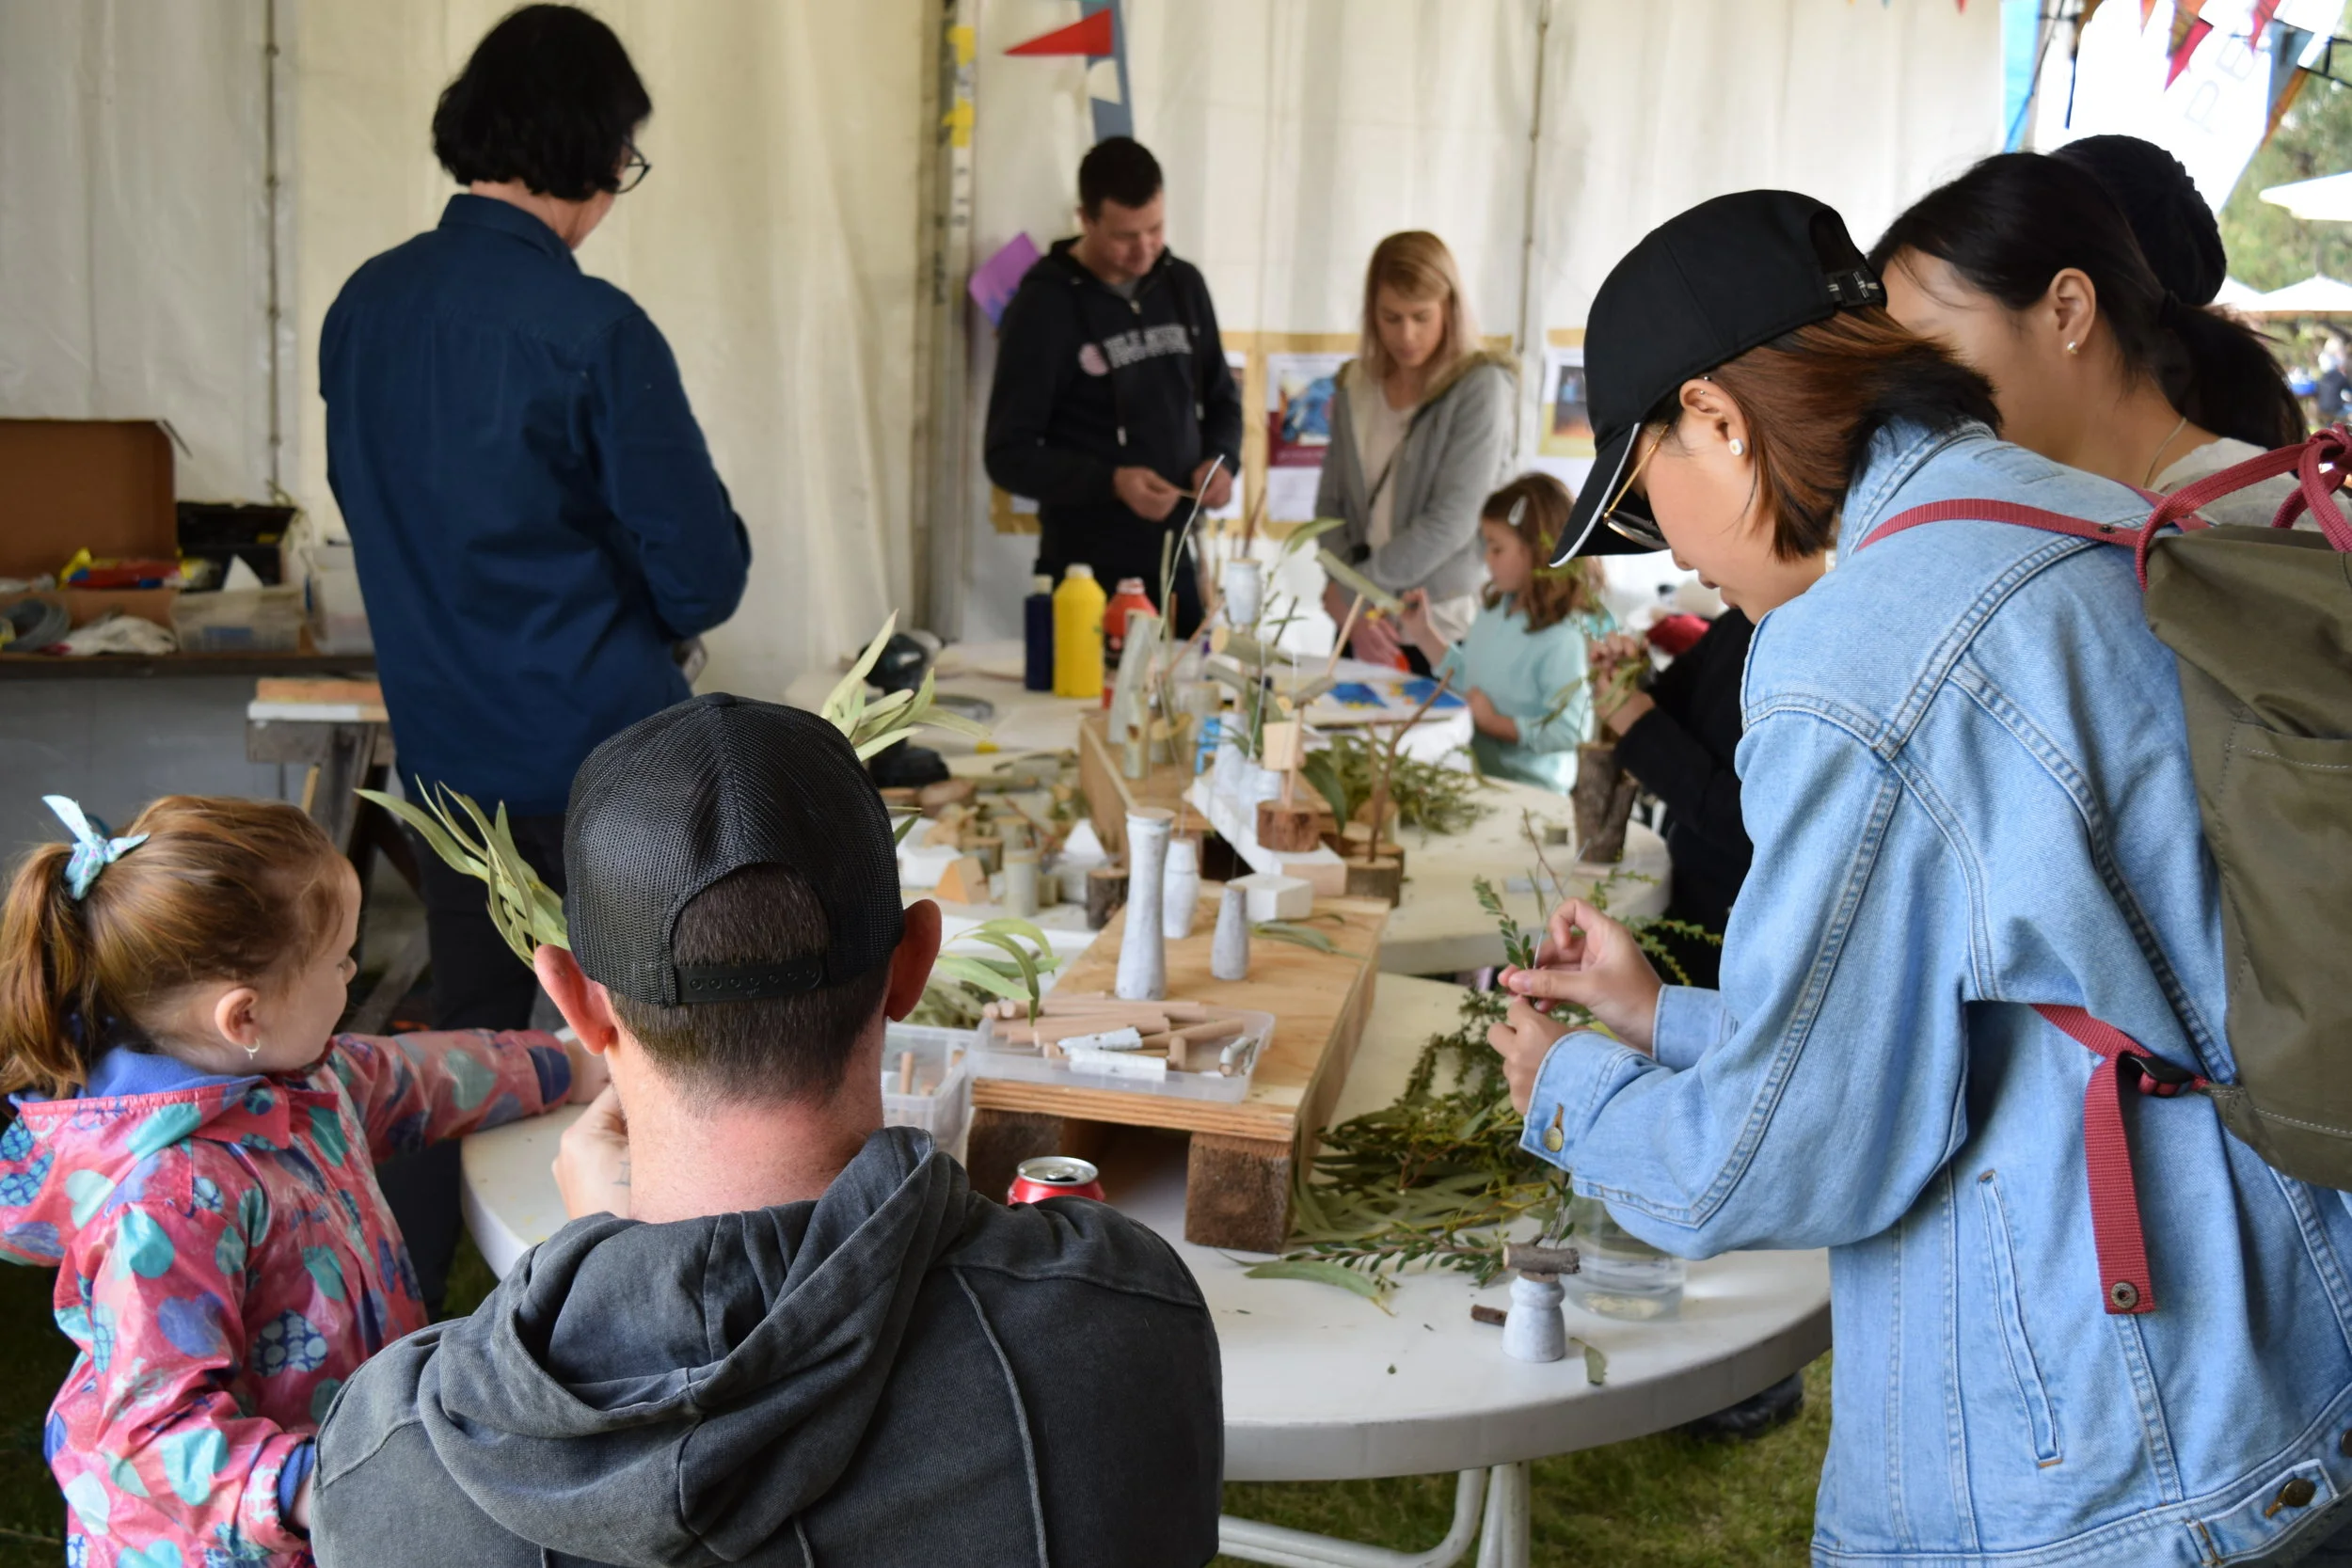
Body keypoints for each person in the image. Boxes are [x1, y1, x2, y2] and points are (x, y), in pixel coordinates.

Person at [1493, 190, 2352, 1565]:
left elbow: (1789, 1150)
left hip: (2106, 1447)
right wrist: (1664, 1016)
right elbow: (2004, 1006)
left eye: (1653, 507)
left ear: (1717, 418)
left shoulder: (1858, 650)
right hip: (2278, 1346)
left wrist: (1574, 1092)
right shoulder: (2077, 509)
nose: (1689, 562)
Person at [311, 695, 1224, 1568]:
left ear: (576, 1003)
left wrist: (603, 1251)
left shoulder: (390, 1466)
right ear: (913, 963)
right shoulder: (1124, 1327)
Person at [320, 4, 750, 1307]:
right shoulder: (595, 330)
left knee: (462, 1047)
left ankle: (392, 1331)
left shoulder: (363, 307)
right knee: (637, 1061)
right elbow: (704, 571)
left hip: (445, 754)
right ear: (593, 151)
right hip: (602, 763)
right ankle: (621, 1322)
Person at [0, 795, 599, 1566]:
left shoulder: (299, 1075)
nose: (354, 972)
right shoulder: (171, 1202)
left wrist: (575, 1062)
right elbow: (146, 1437)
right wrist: (311, 1487)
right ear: (242, 1017)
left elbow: (422, 1077)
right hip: (241, 1542)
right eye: (343, 960)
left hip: (341, 1485)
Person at [1872, 142, 2306, 528]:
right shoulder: (2057, 512)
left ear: (2068, 311)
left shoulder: (2247, 524)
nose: (1908, 392)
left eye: (1931, 350)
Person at [984, 136, 1243, 635]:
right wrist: (1112, 482)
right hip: (1084, 574)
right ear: (1085, 218)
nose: (1145, 249)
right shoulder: (1042, 306)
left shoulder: (1183, 285)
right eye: (1126, 236)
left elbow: (1222, 400)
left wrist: (1222, 460)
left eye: (1156, 229)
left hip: (1176, 563)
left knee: (1186, 705)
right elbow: (1007, 455)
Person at [1317, 231, 1517, 669]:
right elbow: (1330, 507)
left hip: (1439, 625)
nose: (1407, 335)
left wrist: (1352, 592)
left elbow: (1454, 520)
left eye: (1421, 316)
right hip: (1359, 621)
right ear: (1372, 312)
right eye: (1391, 318)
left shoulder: (1481, 388)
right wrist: (1352, 604)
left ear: (1451, 307)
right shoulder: (1355, 384)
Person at [1393, 474, 1612, 793]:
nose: (1487, 558)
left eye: (1497, 548)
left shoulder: (1563, 637)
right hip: (1479, 779)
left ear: (1538, 550)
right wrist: (1424, 633)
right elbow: (1472, 680)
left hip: (1531, 795)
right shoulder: (1496, 610)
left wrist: (1495, 725)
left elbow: (1571, 731)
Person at [1580, 609, 1753, 990]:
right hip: (1684, 897)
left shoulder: (1816, 656)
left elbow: (1756, 824)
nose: (1682, 562)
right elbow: (1677, 703)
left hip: (1739, 933)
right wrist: (1630, 681)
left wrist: (1640, 727)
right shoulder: (1739, 621)